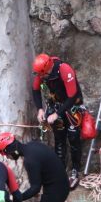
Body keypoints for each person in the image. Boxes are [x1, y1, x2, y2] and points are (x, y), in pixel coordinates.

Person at [31, 53, 86, 189]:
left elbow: (72, 96)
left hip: (73, 106)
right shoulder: (42, 73)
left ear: (47, 69)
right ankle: (60, 170)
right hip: (57, 106)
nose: (41, 78)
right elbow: (35, 89)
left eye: (42, 75)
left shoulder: (64, 69)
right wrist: (40, 109)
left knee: (73, 138)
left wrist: (57, 114)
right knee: (59, 139)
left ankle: (75, 171)